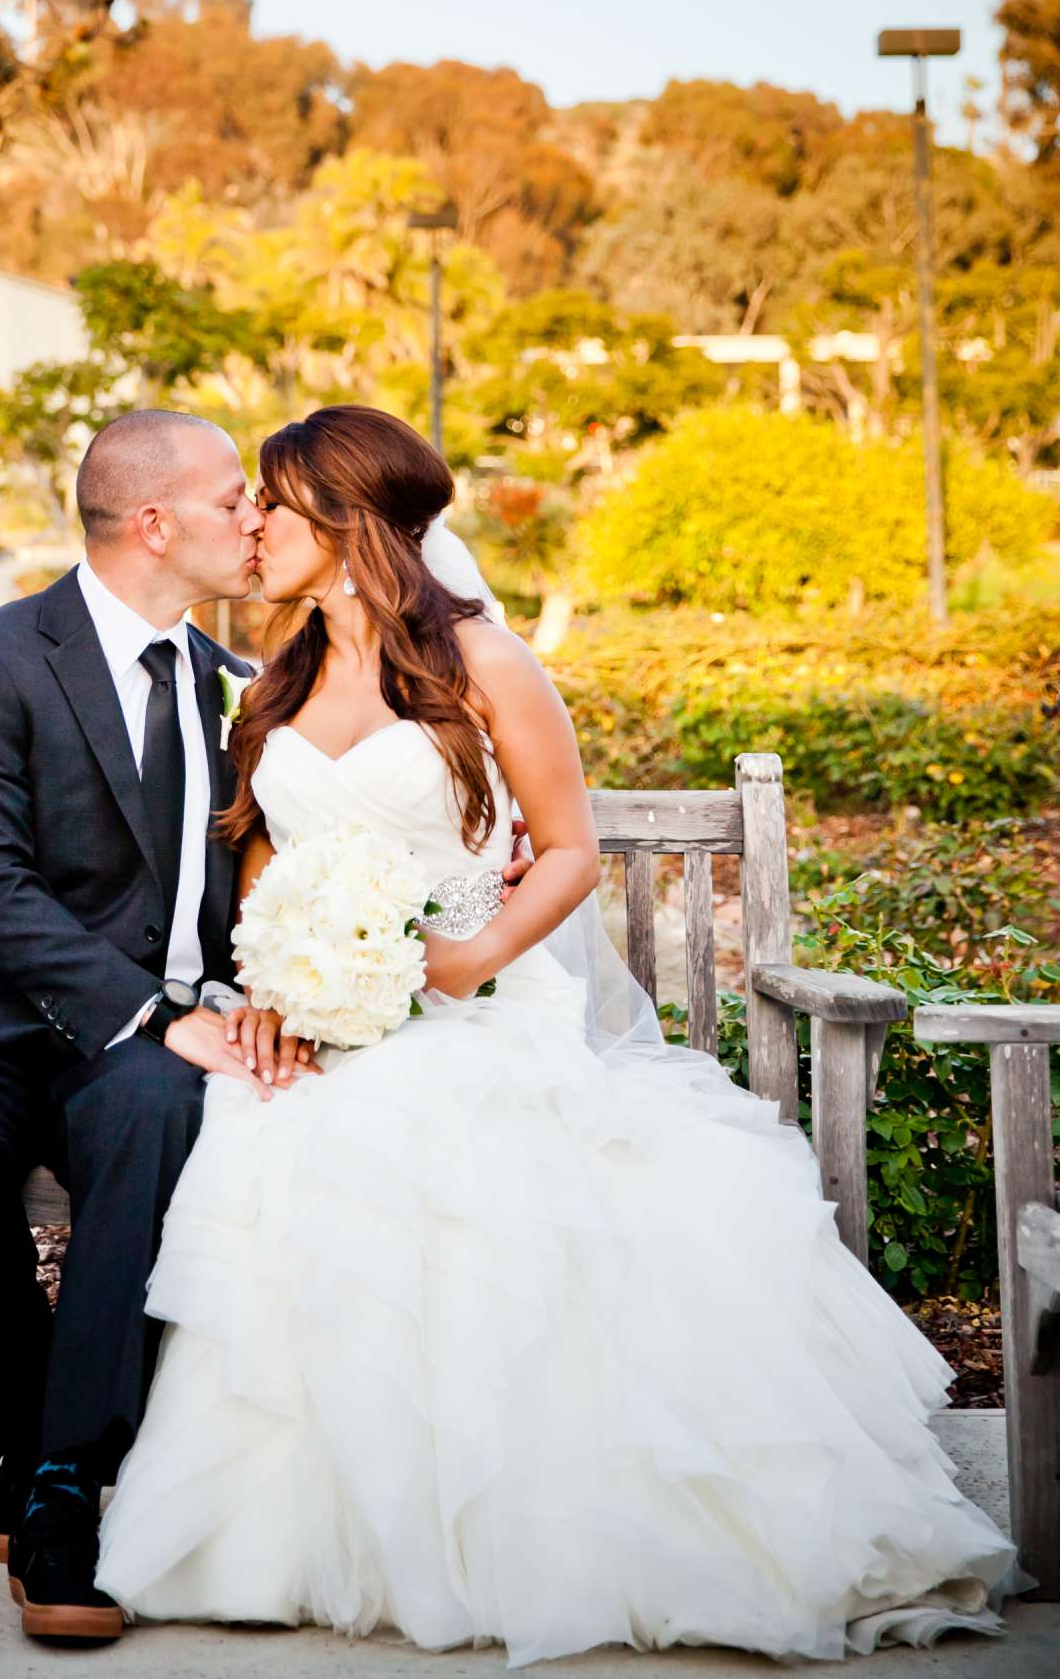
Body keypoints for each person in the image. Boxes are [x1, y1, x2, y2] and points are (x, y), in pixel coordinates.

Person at [95, 404, 1017, 1665]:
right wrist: (283, 987)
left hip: (481, 1002)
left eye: (276, 501)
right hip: (336, 1017)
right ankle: (305, 1527)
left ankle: (523, 1524)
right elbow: (261, 865)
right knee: (273, 1141)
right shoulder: (277, 676)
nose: (252, 523)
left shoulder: (481, 662)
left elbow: (569, 849)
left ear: (345, 521)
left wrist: (467, 958)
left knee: (431, 1146)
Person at [0, 409, 274, 1644]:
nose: (255, 518)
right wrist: (147, 1011)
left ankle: (61, 1492)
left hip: (144, 1046)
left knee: (154, 1114)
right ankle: (32, 1408)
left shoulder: (236, 688)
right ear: (154, 523)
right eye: (233, 497)